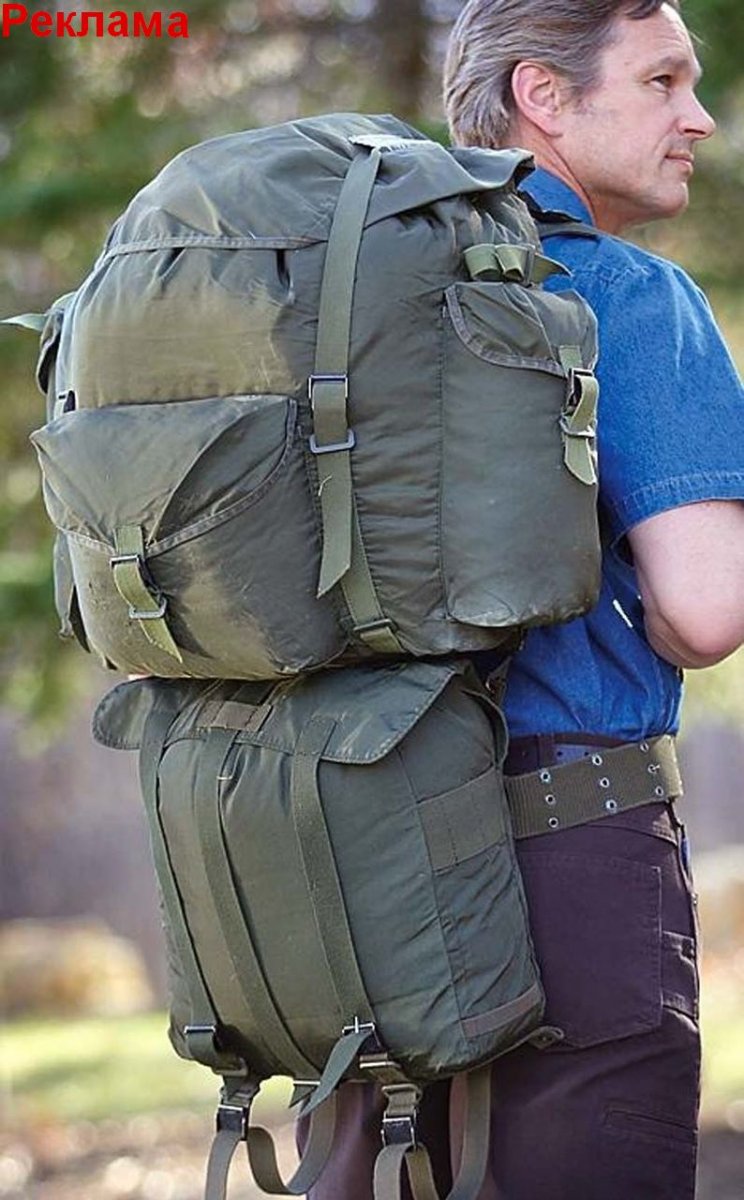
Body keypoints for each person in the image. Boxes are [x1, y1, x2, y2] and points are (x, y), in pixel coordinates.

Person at [299, 2, 744, 1197]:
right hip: (567, 854)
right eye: (662, 81)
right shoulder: (628, 297)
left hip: (341, 865)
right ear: (543, 95)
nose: (699, 117)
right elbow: (706, 611)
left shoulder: (335, 303)